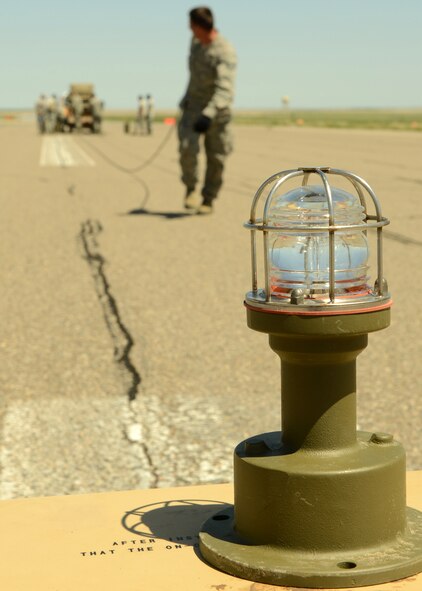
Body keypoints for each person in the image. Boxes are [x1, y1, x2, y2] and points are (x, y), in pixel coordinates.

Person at [178, 6, 237, 214]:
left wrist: (209, 114)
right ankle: (191, 189)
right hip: (193, 107)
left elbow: (225, 90)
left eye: (191, 26)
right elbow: (193, 76)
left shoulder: (224, 51)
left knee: (217, 158)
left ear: (200, 27)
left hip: (216, 113)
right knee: (187, 149)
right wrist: (185, 99)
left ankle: (208, 199)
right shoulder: (195, 43)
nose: (189, 29)